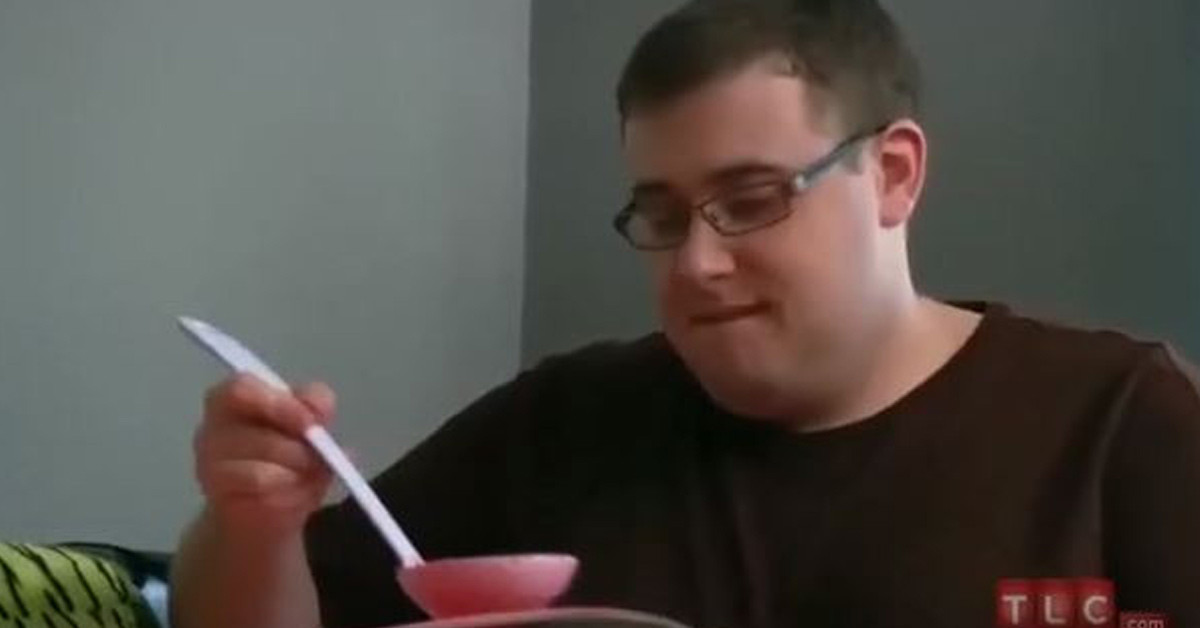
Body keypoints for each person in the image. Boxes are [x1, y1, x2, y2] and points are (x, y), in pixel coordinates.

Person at [169, 2, 1200, 627]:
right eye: (661, 215)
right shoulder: (562, 422)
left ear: (892, 174)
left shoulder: (1116, 421)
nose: (698, 263)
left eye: (751, 199)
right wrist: (253, 526)